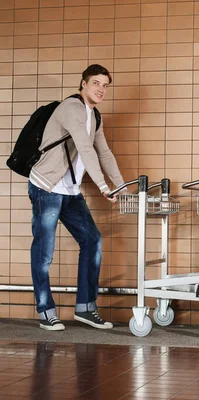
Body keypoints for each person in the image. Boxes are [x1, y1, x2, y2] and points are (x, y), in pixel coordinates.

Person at [28, 64, 125, 331]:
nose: (101, 89)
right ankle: (46, 310)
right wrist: (104, 186)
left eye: (105, 85)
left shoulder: (94, 116)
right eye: (96, 83)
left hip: (69, 192)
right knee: (44, 252)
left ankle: (85, 307)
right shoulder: (71, 108)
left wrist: (122, 187)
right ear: (83, 84)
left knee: (92, 240)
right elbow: (84, 147)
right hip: (46, 187)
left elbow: (103, 153)